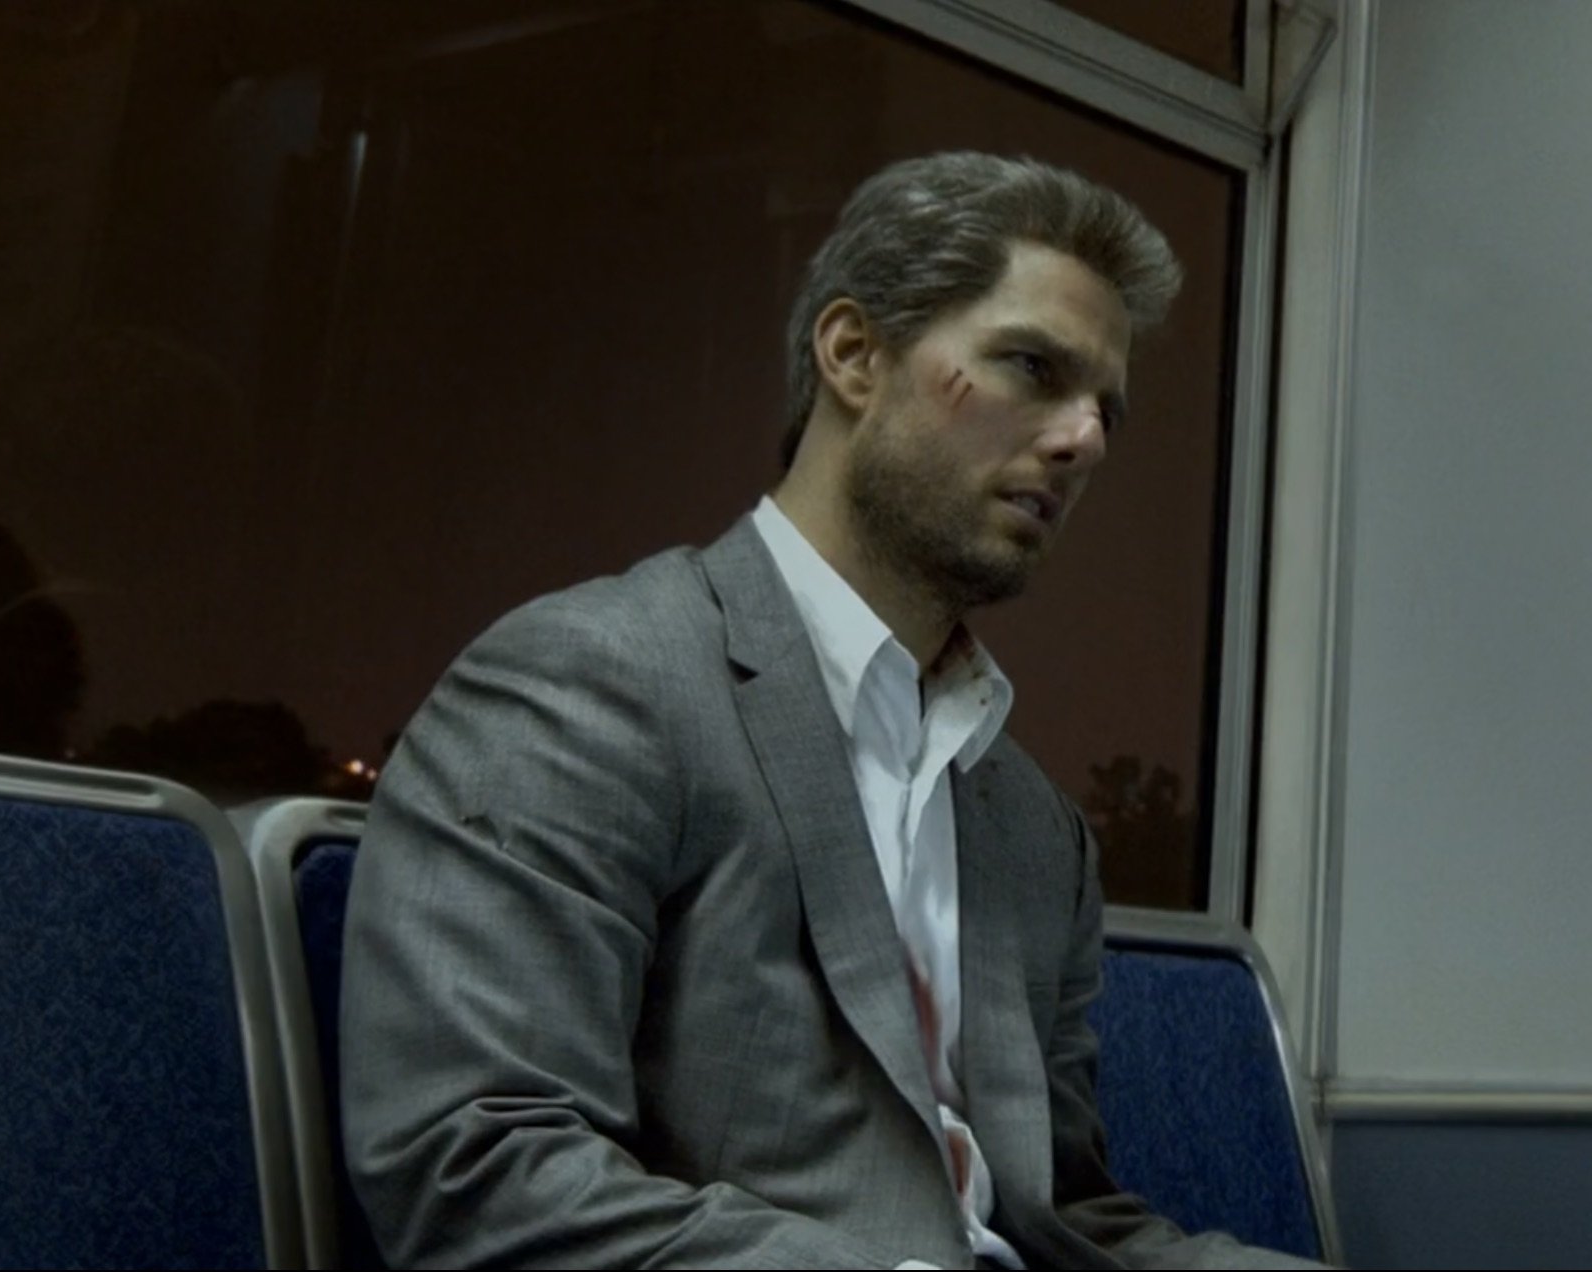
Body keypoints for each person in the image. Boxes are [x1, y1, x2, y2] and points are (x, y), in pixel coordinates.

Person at [341, 151, 1328, 1270]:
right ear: (854, 354)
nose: (1085, 439)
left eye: (1105, 407)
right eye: (1031, 367)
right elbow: (474, 1168)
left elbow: (1064, 1219)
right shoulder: (590, 682)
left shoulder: (1033, 828)